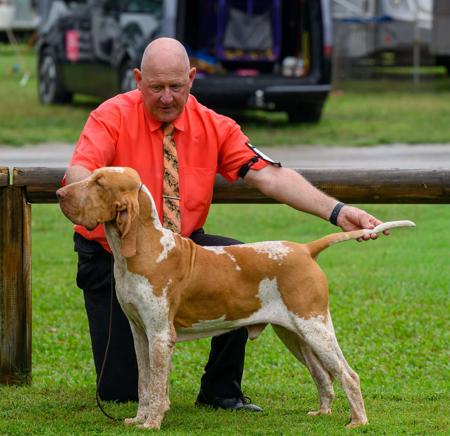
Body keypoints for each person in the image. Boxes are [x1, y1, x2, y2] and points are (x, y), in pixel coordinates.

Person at [64, 37, 383, 411]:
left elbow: (271, 177)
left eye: (176, 86)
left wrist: (338, 212)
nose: (166, 97)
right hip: (111, 256)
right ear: (137, 80)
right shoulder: (110, 116)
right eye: (155, 87)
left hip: (183, 249)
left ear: (191, 78)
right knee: (120, 392)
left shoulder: (216, 125)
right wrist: (85, 198)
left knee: (238, 263)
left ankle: (221, 390)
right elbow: (81, 169)